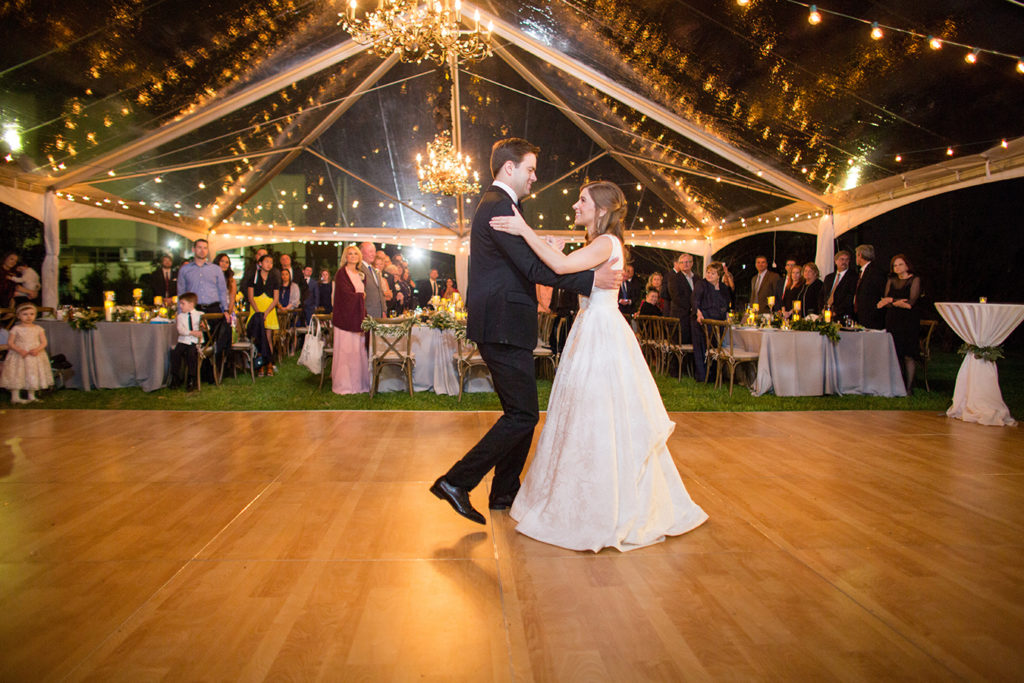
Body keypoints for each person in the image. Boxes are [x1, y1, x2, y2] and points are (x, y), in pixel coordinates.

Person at [488, 180, 707, 551]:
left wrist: (525, 230)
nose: (576, 205)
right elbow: (564, 268)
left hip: (601, 335)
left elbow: (559, 266)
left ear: (602, 210)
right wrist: (550, 247)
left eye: (582, 201)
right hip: (590, 329)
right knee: (584, 416)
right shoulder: (598, 244)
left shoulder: (606, 244)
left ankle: (604, 506)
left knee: (597, 415)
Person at [430, 138, 621, 525]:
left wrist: (548, 248)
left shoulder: (503, 206)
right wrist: (591, 279)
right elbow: (533, 270)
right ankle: (457, 481)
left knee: (521, 412)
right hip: (502, 322)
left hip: (504, 322)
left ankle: (504, 491)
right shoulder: (500, 206)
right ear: (509, 169)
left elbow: (525, 261)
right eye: (530, 169)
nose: (535, 176)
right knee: (521, 414)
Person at [177, 239, 230, 359]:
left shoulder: (216, 269)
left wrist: (225, 310)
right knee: (196, 343)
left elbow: (222, 291)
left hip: (213, 309)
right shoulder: (185, 270)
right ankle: (195, 374)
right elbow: (181, 293)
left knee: (213, 343)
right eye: (199, 247)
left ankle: (212, 374)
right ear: (193, 250)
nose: (202, 250)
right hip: (194, 310)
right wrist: (180, 314)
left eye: (205, 248)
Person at [878, 254, 922, 393]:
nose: (897, 267)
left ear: (907, 265)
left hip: (908, 321)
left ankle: (909, 387)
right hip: (892, 319)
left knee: (908, 353)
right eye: (895, 265)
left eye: (900, 264)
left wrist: (892, 301)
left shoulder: (914, 280)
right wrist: (894, 301)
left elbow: (910, 303)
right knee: (895, 352)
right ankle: (896, 386)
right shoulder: (891, 280)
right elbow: (884, 302)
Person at [332, 245, 370, 394]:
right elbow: (345, 296)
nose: (353, 256)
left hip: (358, 317)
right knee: (346, 351)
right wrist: (361, 297)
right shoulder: (341, 274)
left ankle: (359, 383)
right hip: (345, 319)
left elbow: (361, 292)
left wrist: (361, 297)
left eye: (356, 253)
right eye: (350, 254)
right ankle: (345, 384)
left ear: (359, 257)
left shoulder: (360, 274)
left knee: (358, 350)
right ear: (345, 257)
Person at [1, 303, 53, 404]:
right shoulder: (16, 328)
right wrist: (19, 350)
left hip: (34, 354)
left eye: (31, 314)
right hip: (19, 354)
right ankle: (15, 396)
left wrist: (37, 349)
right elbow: (10, 343)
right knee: (17, 373)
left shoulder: (38, 328)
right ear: (18, 316)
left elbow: (44, 342)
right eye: (25, 314)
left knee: (32, 372)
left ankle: (31, 395)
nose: (29, 317)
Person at [694, 261, 733, 383]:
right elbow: (695, 300)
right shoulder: (701, 284)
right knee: (703, 348)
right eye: (708, 272)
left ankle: (717, 375)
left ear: (719, 275)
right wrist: (698, 313)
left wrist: (727, 316)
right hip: (704, 321)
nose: (709, 275)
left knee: (717, 347)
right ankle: (703, 376)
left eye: (713, 273)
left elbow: (727, 304)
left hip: (719, 322)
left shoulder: (723, 288)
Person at [246, 253, 280, 376]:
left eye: (271, 262)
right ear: (260, 263)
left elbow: (276, 299)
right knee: (258, 338)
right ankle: (259, 364)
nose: (269, 264)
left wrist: (266, 313)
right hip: (256, 309)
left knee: (268, 338)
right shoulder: (253, 278)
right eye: (266, 261)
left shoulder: (274, 279)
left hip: (269, 310)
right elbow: (250, 297)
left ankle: (269, 364)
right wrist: (258, 312)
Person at [168, 292, 203, 391]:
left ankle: (191, 379)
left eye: (183, 304)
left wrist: (204, 327)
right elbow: (181, 330)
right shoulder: (180, 316)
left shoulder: (200, 315)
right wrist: (192, 332)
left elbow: (206, 327)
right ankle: (175, 377)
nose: (180, 306)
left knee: (192, 354)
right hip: (184, 340)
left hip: (195, 342)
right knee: (175, 353)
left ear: (191, 304)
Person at [854, 244, 888, 329]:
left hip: (872, 316)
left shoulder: (875, 271)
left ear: (860, 255)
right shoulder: (864, 271)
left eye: (856, 255)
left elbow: (882, 291)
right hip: (863, 314)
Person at [819, 250, 856, 322]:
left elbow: (850, 297)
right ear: (836, 261)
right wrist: (822, 309)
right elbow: (822, 294)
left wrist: (836, 311)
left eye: (847, 260)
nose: (844, 262)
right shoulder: (829, 277)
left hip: (842, 316)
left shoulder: (853, 277)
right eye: (842, 259)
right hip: (826, 314)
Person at [359, 242, 387, 318]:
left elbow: (380, 292)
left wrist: (384, 310)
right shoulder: (359, 269)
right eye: (370, 251)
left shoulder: (375, 271)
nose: (373, 254)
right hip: (366, 315)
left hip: (379, 314)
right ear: (361, 252)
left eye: (374, 251)